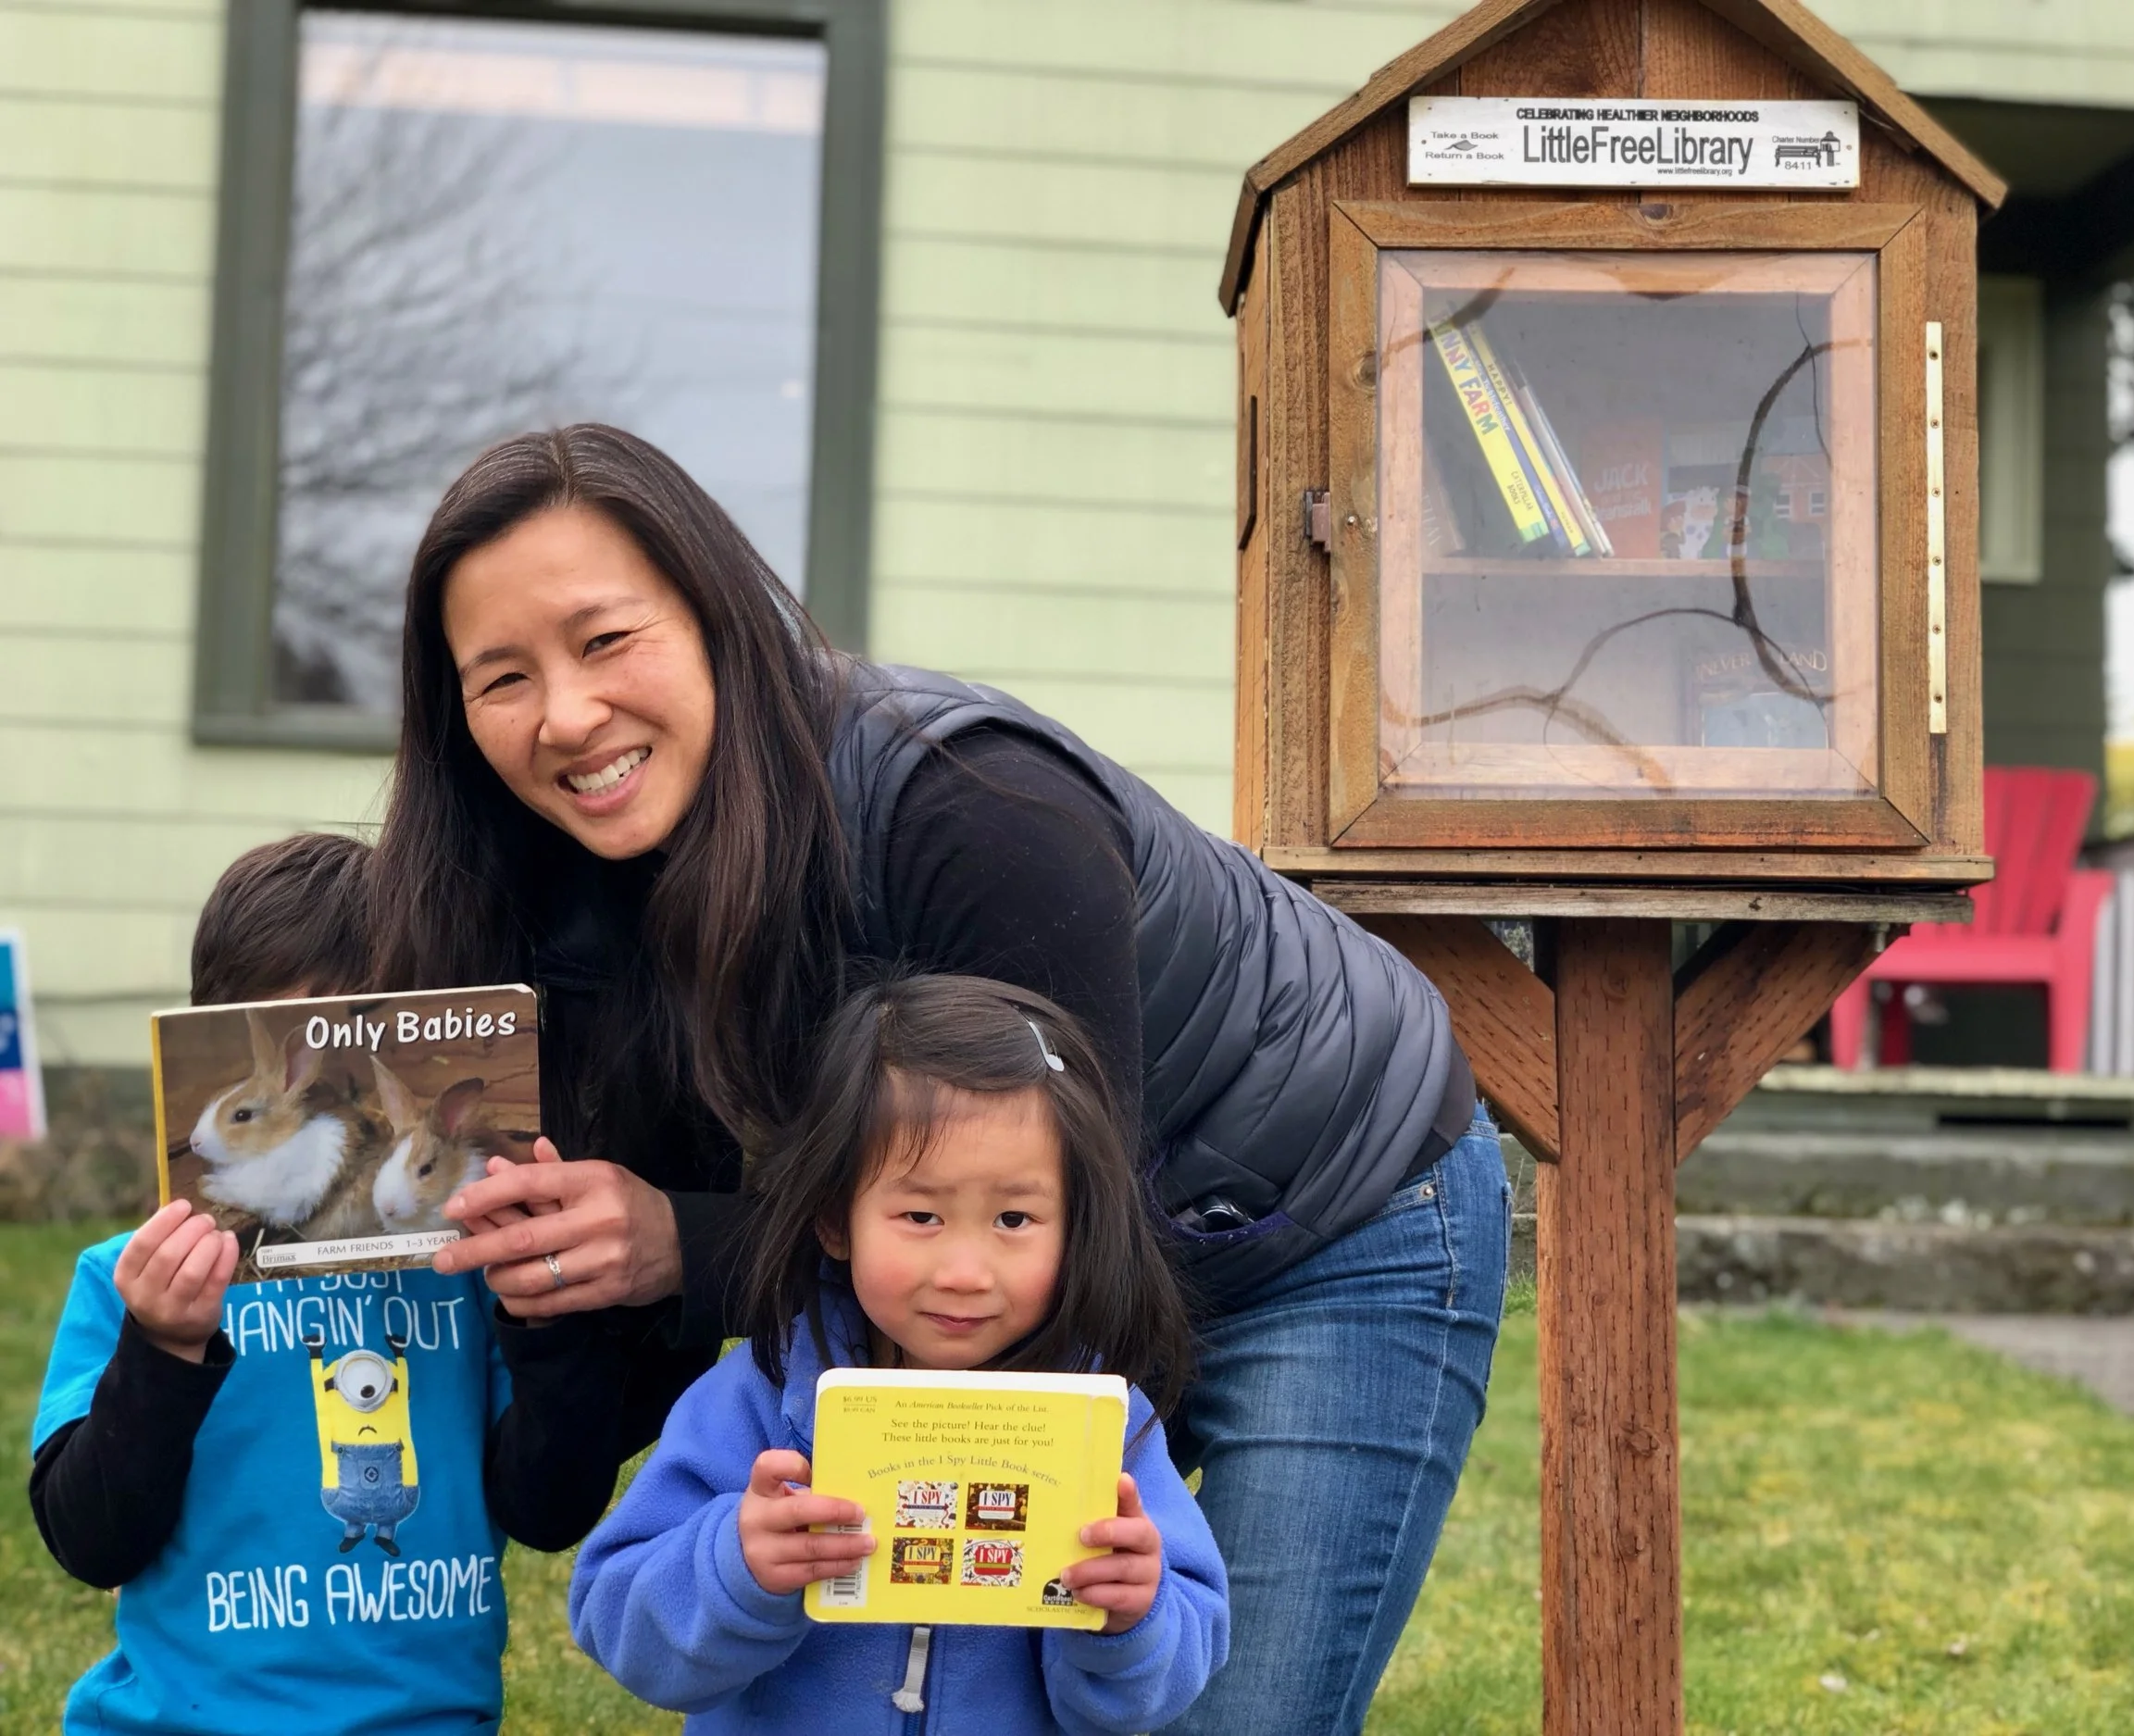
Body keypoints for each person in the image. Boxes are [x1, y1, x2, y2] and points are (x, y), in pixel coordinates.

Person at [377, 423, 1509, 1734]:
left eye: (606, 639)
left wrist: (676, 1238)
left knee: (1221, 1709)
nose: (567, 716)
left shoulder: (970, 809)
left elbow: (1064, 1220)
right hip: (997, 1254)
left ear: (719, 618)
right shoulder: (552, 898)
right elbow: (580, 1480)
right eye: (500, 676)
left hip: (1328, 1209)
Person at [28, 831, 619, 1735]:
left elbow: (550, 1511)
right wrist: (163, 1348)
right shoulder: (131, 1280)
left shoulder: (464, 1277)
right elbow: (90, 1539)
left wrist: (539, 1317)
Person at [569, 975, 1227, 1731]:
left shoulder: (1103, 1428)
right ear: (834, 1219)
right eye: (921, 1213)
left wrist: (1132, 1618)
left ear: (1076, 1226)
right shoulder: (762, 1396)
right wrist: (735, 1566)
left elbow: (1164, 1681)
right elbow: (620, 1623)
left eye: (1014, 1217)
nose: (964, 1271)